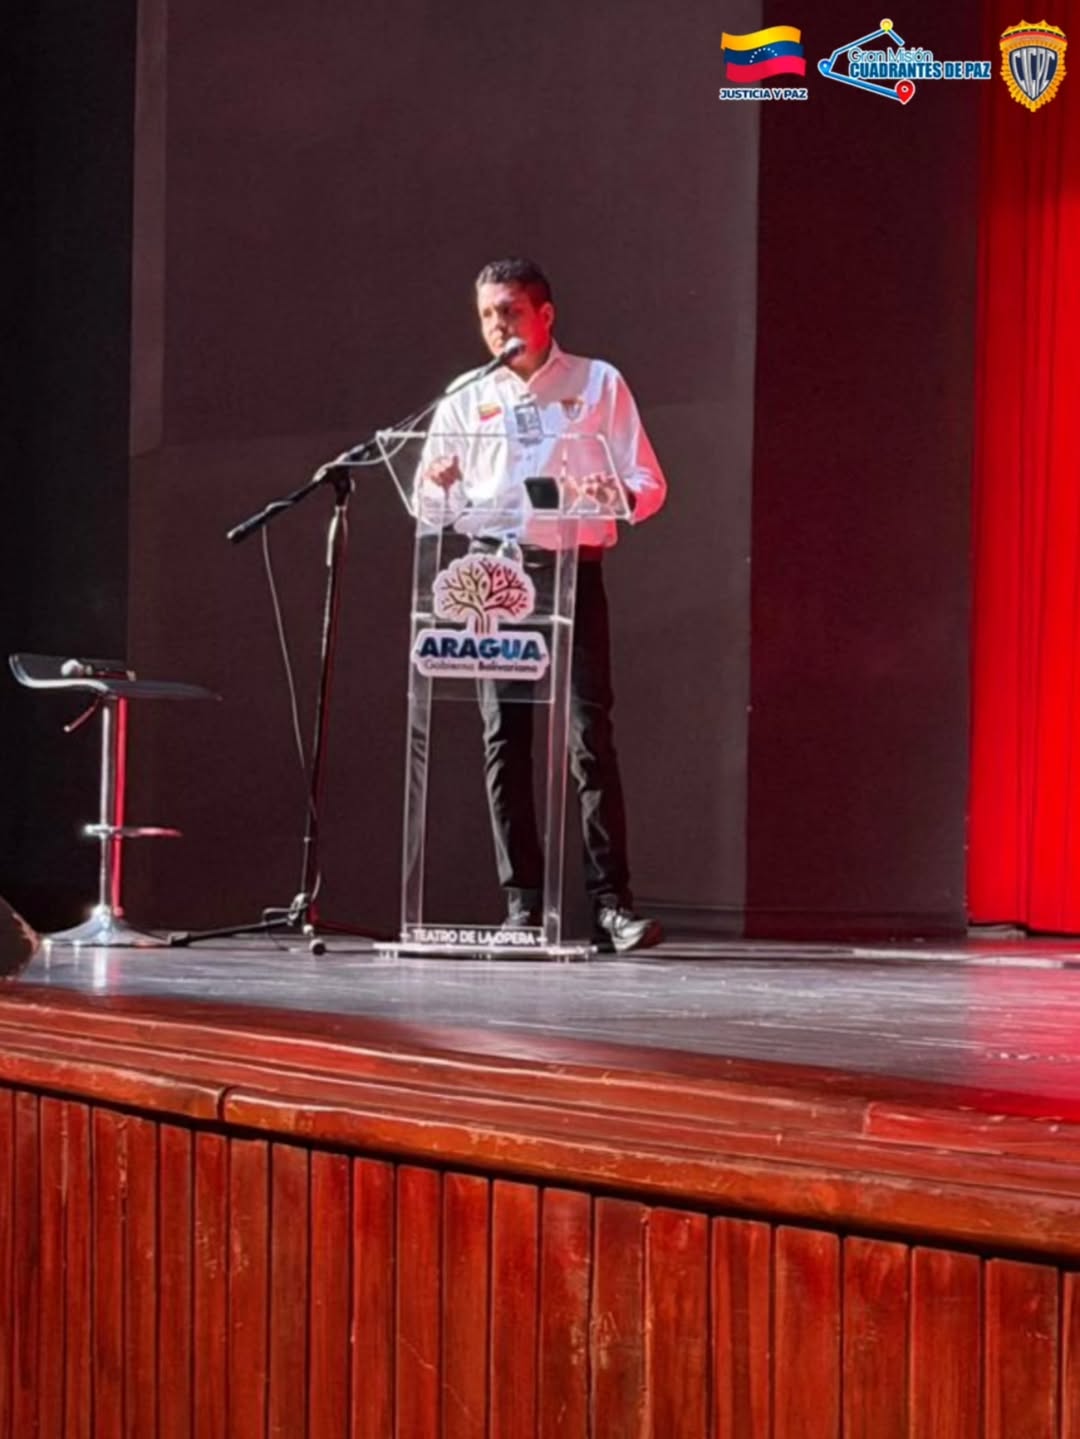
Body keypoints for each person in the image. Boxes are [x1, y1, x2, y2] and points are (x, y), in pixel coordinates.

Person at [422, 257, 667, 953]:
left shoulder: (597, 383)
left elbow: (648, 483)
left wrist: (606, 495)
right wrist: (439, 482)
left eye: (510, 311)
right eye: (487, 315)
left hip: (572, 572)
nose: (497, 326)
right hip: (496, 581)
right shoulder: (465, 397)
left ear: (545, 314)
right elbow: (429, 504)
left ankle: (611, 905)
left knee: (589, 737)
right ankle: (521, 907)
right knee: (505, 740)